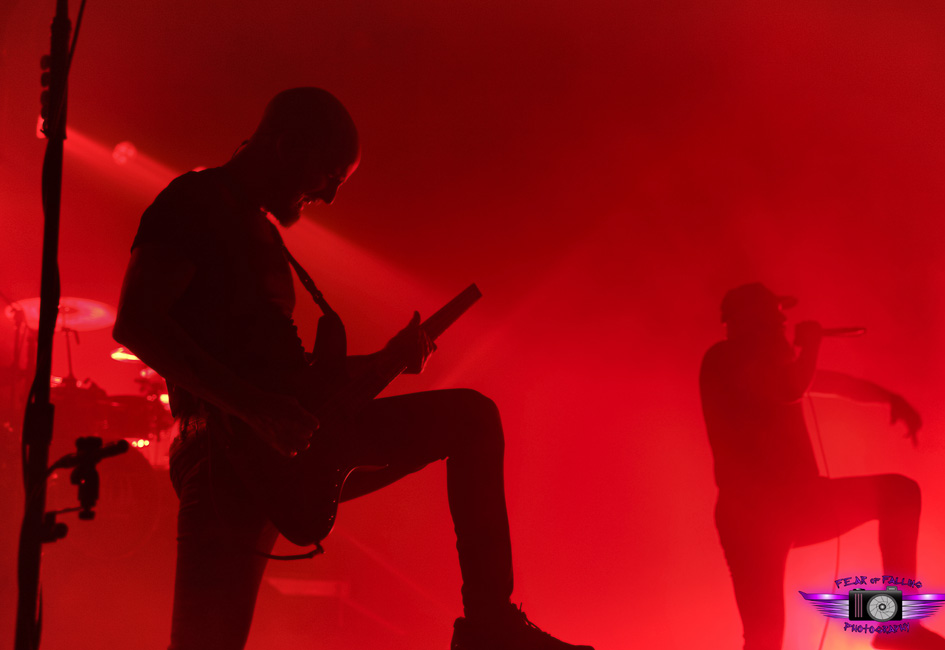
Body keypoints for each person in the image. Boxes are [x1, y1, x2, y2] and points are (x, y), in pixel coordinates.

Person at [113, 87, 593, 650]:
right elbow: (137, 324)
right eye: (329, 176)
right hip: (226, 466)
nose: (331, 197)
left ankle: (489, 622)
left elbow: (296, 381)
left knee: (471, 419)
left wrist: (386, 361)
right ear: (287, 146)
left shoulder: (264, 234)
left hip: (291, 451)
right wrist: (255, 409)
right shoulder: (192, 202)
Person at [699, 282, 945, 650]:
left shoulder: (766, 369)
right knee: (765, 637)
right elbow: (792, 387)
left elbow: (830, 385)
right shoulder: (725, 360)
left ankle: (898, 628)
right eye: (776, 321)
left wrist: (888, 398)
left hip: (796, 503)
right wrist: (811, 345)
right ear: (750, 322)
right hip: (754, 517)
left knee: (899, 495)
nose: (783, 326)